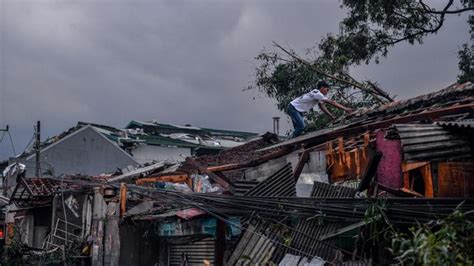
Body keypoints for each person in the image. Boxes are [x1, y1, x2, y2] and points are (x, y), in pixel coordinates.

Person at [286, 81, 352, 138]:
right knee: (301, 126)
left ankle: (293, 141)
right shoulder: (318, 94)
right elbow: (332, 102)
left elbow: (321, 107)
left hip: (296, 108)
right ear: (322, 88)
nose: (327, 92)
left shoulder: (316, 93)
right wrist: (345, 109)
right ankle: (290, 142)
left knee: (298, 129)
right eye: (327, 90)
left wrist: (331, 116)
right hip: (293, 108)